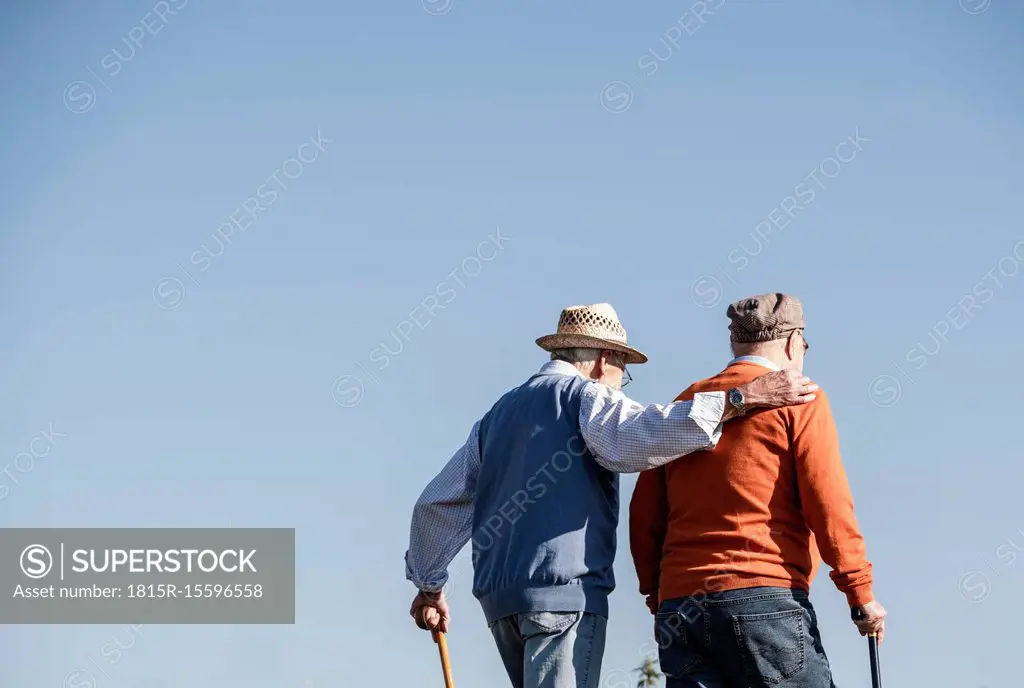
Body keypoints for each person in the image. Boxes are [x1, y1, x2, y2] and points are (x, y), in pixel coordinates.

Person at [404, 302, 818, 688]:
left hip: (501, 602)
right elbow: (638, 436)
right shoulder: (584, 396)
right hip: (563, 595)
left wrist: (429, 583)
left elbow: (438, 503)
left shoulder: (496, 415)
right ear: (605, 361)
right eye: (625, 372)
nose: (622, 386)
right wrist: (738, 399)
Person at [629, 293, 886, 688]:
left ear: (735, 342)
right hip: (763, 597)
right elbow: (828, 502)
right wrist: (860, 593)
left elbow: (644, 513)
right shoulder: (800, 399)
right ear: (792, 342)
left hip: (681, 606)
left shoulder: (688, 402)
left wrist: (658, 598)